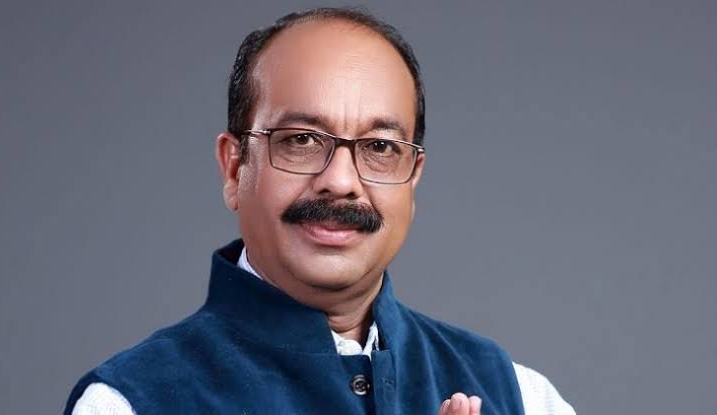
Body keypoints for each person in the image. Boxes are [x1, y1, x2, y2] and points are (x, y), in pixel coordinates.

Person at [64, 7, 575, 415]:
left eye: (379, 147)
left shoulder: (520, 397)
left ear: (413, 177)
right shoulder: (130, 403)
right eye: (302, 140)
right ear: (235, 167)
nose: (341, 182)